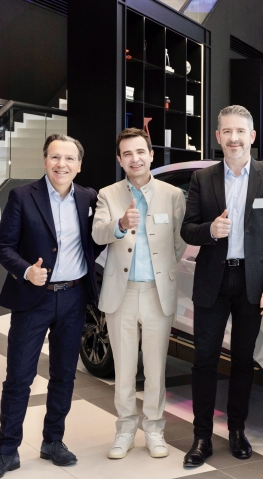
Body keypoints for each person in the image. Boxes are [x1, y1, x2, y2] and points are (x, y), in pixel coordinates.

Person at [181, 105, 263, 466]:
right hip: (213, 279)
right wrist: (210, 231)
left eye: (240, 131)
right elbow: (188, 229)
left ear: (252, 136)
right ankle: (200, 436)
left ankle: (237, 430)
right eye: (227, 131)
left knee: (243, 361)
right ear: (217, 137)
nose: (233, 138)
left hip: (252, 283)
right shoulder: (203, 179)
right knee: (204, 359)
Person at [0, 134, 104, 478]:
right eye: (55, 157)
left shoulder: (89, 197)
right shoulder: (22, 196)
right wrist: (26, 271)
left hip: (74, 299)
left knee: (64, 375)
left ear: (79, 165)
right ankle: (7, 451)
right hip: (33, 299)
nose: (62, 164)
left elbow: (95, 241)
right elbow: (3, 247)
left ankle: (52, 441)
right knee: (19, 378)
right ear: (45, 161)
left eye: (70, 159)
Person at [92, 128, 186, 459]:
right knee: (125, 367)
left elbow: (179, 242)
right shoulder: (108, 194)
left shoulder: (174, 195)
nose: (135, 159)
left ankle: (155, 430)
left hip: (158, 292)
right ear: (120, 159)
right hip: (122, 292)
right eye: (127, 154)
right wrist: (120, 223)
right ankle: (125, 430)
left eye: (140, 152)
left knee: (157, 366)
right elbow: (99, 233)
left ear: (151, 154)